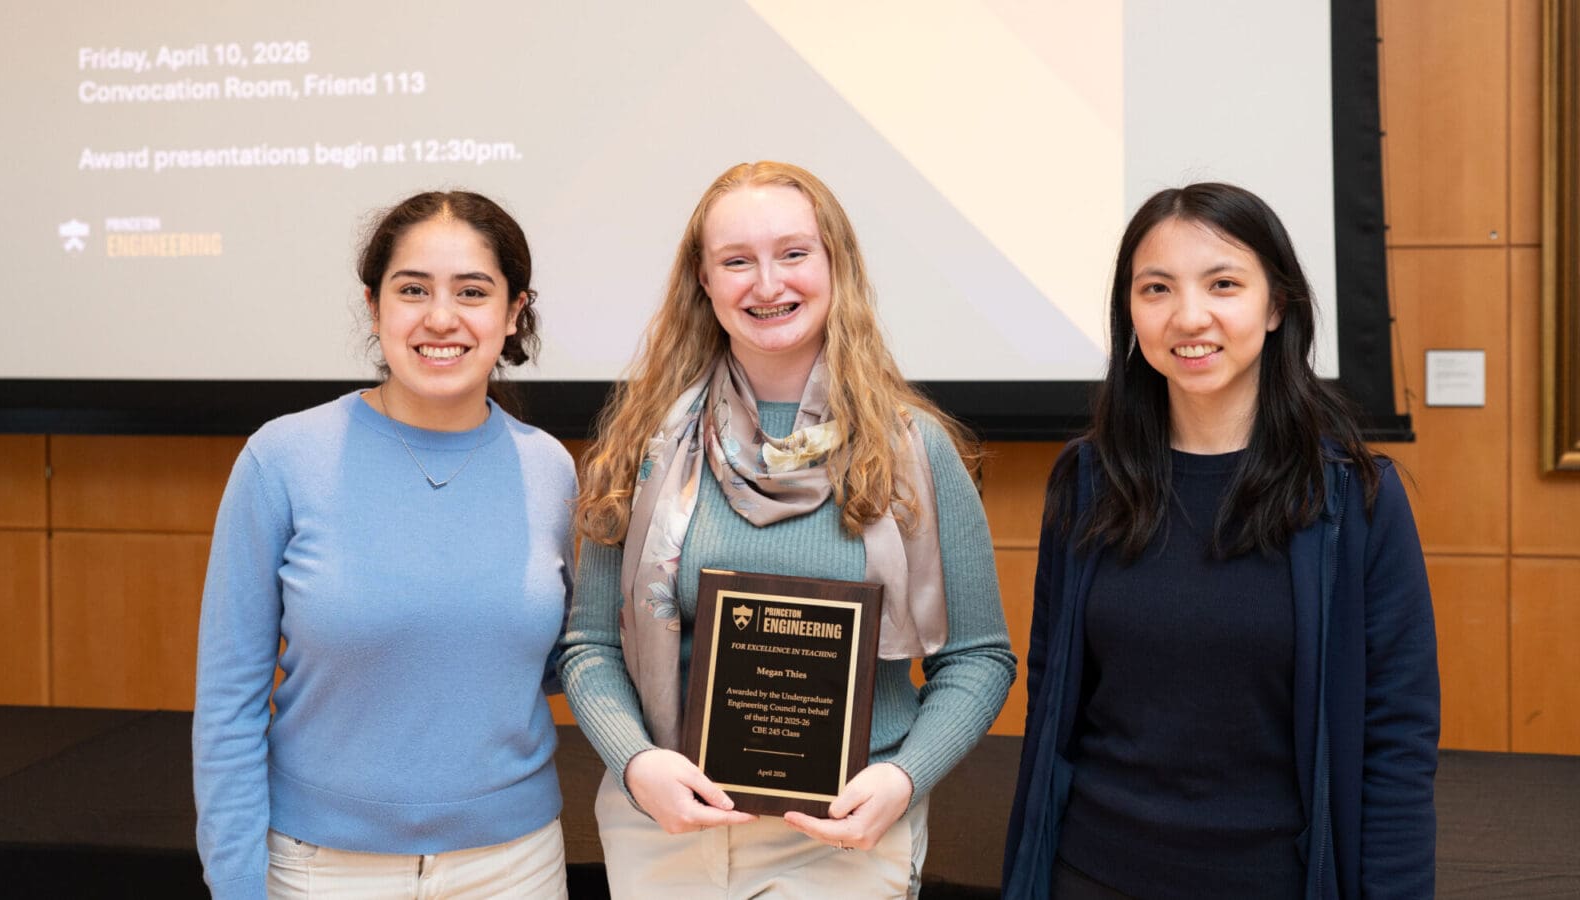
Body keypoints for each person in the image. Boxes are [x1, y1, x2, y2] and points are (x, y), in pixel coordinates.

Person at [560, 161, 1016, 898]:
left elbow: (978, 660)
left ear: (838, 266)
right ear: (703, 284)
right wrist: (636, 763)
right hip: (665, 831)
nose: (767, 284)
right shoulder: (645, 444)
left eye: (794, 253)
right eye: (736, 261)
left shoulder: (912, 447)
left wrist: (903, 779)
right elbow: (590, 643)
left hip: (842, 842)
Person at [1002, 183, 1439, 898]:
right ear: (1130, 314)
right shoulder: (1087, 481)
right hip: (1092, 873)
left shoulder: (1352, 497)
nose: (1189, 316)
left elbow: (1397, 737)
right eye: (1157, 288)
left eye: (1224, 284)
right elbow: (1052, 700)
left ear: (1275, 308)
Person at [192, 191, 576, 899]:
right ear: (374, 307)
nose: (440, 317)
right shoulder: (281, 459)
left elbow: (564, 662)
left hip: (515, 866)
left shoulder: (549, 469)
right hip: (318, 869)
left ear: (515, 310)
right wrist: (238, 885)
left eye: (472, 291)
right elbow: (227, 704)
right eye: (412, 290)